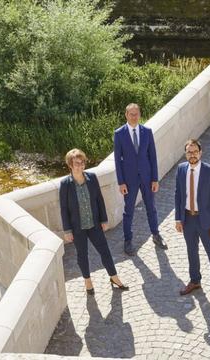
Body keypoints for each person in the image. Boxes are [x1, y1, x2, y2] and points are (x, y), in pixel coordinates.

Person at [59, 149, 128, 294]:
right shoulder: (65, 184)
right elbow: (64, 209)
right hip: (77, 227)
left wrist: (103, 219)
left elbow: (99, 199)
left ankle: (114, 277)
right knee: (82, 255)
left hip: (94, 224)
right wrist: (67, 230)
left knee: (105, 251)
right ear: (70, 165)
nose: (80, 165)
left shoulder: (92, 178)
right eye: (77, 163)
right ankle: (88, 281)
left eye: (82, 162)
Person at [175, 139, 210, 306]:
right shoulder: (181, 169)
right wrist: (178, 218)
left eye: (195, 151)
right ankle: (195, 280)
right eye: (189, 152)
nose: (192, 155)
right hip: (188, 219)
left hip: (206, 220)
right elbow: (178, 195)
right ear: (185, 154)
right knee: (191, 251)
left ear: (200, 153)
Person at [113, 103, 167, 256]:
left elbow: (153, 157)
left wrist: (155, 179)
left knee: (151, 207)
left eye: (136, 114)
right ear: (126, 115)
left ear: (139, 115)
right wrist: (121, 182)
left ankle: (156, 234)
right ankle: (128, 240)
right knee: (128, 210)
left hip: (147, 177)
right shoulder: (119, 134)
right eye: (131, 114)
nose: (134, 117)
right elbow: (118, 160)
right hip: (129, 180)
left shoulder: (147, 132)